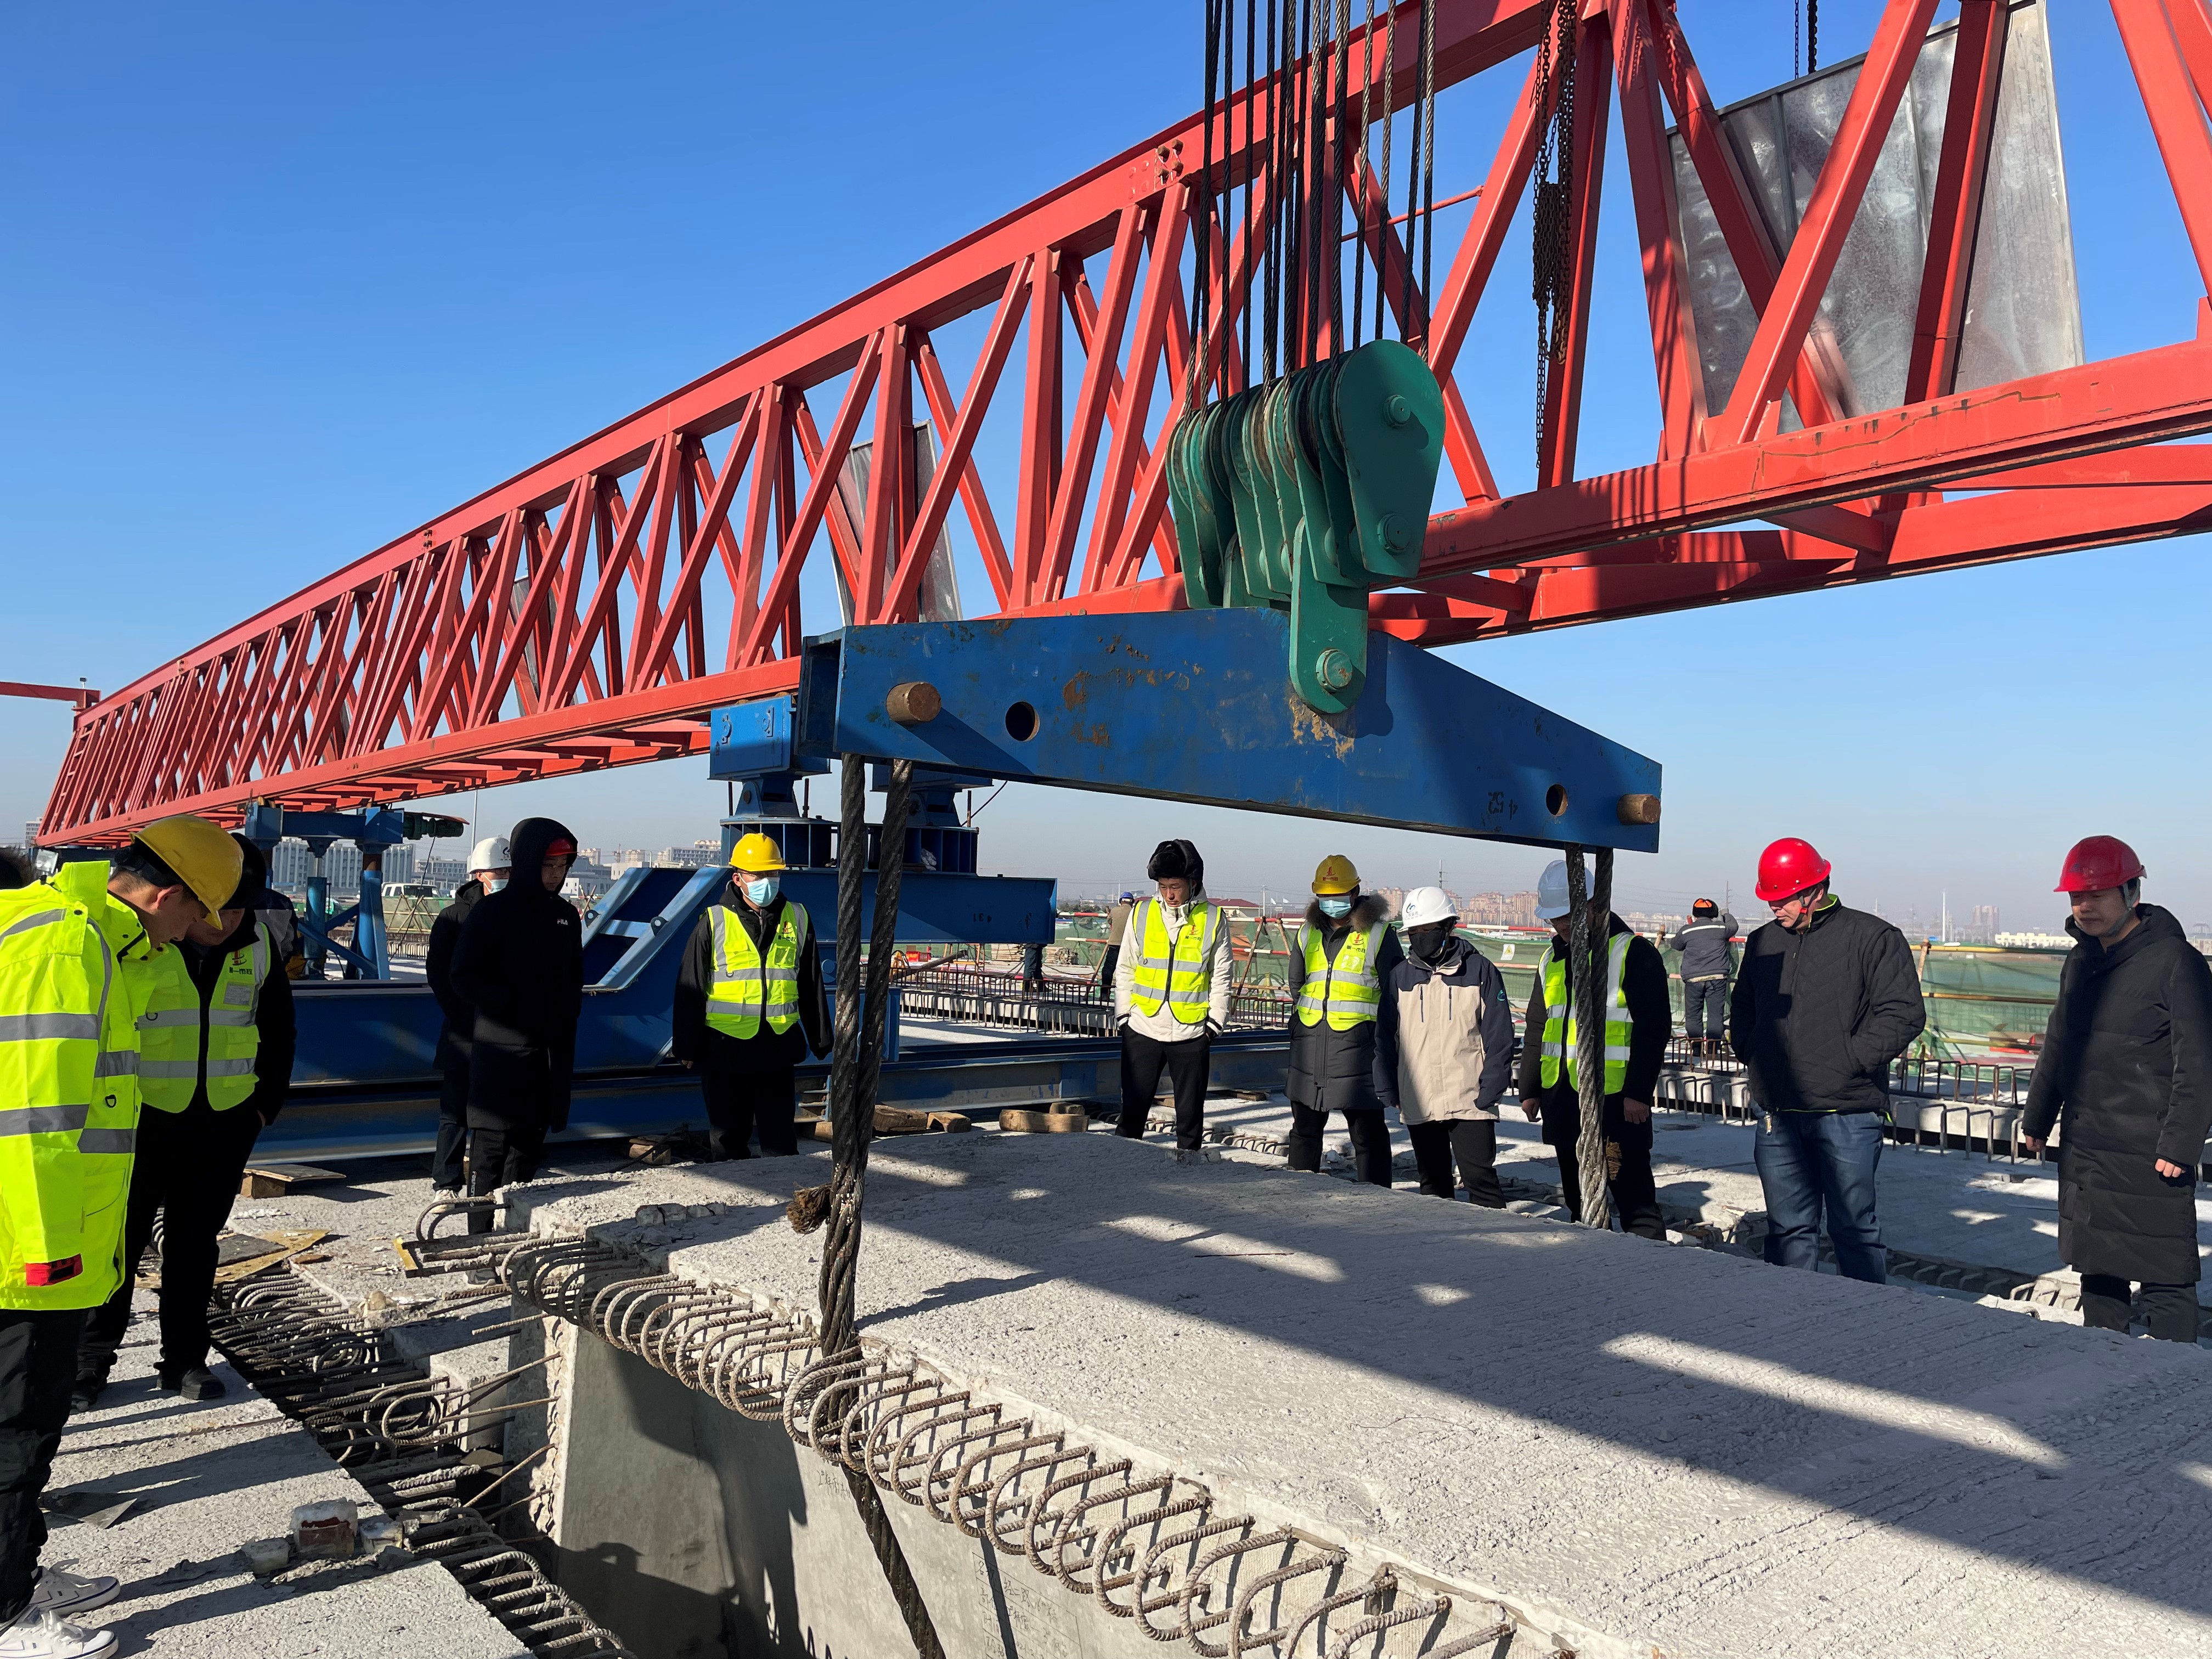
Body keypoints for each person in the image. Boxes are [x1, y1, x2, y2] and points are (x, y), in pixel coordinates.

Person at [1, 815, 239, 1659]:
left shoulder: (89, 939)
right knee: (16, 1433)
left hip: (48, 1241)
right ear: (167, 895)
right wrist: (50, 1256)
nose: (193, 932)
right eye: (196, 913)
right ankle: (7, 1615)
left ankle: (18, 1571)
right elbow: (32, 1122)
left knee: (25, 1429)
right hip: (31, 1253)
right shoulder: (71, 951)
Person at [74, 837, 294, 1409]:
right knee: (115, 1246)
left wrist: (261, 1108)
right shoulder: (137, 942)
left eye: (241, 909)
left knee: (195, 1250)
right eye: (218, 908)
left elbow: (279, 1029)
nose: (228, 921)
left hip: (222, 1125)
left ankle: (185, 1360)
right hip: (138, 1124)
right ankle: (90, 1360)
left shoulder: (259, 946)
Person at [2021, 836, 2212, 1342]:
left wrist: (2181, 1143)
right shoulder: (2079, 963)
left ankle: (2177, 1376)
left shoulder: (2176, 962)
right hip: (2087, 1149)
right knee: (2099, 1273)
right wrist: (2037, 1118)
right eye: (2076, 897)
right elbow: (2059, 1045)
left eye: (2097, 895)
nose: (2084, 907)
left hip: (2150, 1154)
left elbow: (2200, 1062)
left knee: (2166, 1278)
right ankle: (2102, 1367)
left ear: (2132, 892)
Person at [1729, 836, 1925, 1284]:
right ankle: (1791, 1315)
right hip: (1778, 1115)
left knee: (1853, 1231)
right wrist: (1754, 1053)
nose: (1774, 906)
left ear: (1814, 891)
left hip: (1847, 1114)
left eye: (1782, 898)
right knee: (1788, 1230)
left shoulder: (1873, 938)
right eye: (1770, 897)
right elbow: (1744, 1008)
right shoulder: (1762, 942)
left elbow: (1904, 1013)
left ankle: (1865, 1317)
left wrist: (1849, 1061)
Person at [1518, 860, 1671, 1238]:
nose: (1561, 925)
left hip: (1616, 1102)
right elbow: (1539, 1026)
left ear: (1592, 904)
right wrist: (1530, 1088)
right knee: (1579, 1199)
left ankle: (1650, 1264)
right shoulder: (1551, 959)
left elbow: (1653, 1029)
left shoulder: (1631, 953)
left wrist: (1639, 1092)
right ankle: (1588, 1261)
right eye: (1555, 918)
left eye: (1567, 915)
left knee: (1634, 1200)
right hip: (1562, 1096)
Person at [449, 819, 583, 1233]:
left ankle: (512, 1239)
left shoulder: (565, 916)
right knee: (489, 1154)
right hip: (501, 1055)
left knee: (526, 1155)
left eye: (562, 866)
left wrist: (564, 1015)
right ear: (526, 862)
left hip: (548, 1058)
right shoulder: (494, 912)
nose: (556, 875)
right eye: (548, 865)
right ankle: (478, 1241)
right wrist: (510, 1003)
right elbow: (462, 976)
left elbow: (573, 979)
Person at [672, 834, 828, 1160]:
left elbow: (810, 981)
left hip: (777, 1045)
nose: (767, 882)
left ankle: (784, 1188)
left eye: (773, 873)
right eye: (758, 875)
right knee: (728, 1138)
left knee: (781, 1139)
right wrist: (687, 1045)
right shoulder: (714, 921)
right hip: (726, 1048)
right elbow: (691, 985)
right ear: (738, 879)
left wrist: (821, 1038)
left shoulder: (797, 918)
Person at [1376, 888, 1513, 1205]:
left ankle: (1497, 1234)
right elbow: (1385, 1038)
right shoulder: (1399, 978)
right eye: (1414, 931)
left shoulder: (1480, 971)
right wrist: (1388, 1086)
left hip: (1470, 1099)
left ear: (1448, 926)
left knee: (1480, 1181)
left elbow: (1499, 1036)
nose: (1420, 937)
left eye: (1428, 929)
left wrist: (1491, 1088)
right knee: (1433, 1186)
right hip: (1420, 1098)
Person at [1283, 855, 1399, 1186]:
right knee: (1304, 1130)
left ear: (1355, 892)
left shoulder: (1378, 934)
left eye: (1338, 895)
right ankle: (1299, 1191)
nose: (1331, 902)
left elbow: (1394, 994)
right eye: (1325, 896)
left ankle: (1375, 1197)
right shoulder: (1307, 933)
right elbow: (1297, 985)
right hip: (1310, 1048)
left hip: (1359, 1051)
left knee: (1367, 1133)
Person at [1113, 840, 1229, 1149]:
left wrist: (1214, 1023)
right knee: (1132, 1113)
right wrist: (1124, 1016)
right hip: (1143, 1026)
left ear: (1193, 883)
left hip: (1191, 1032)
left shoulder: (1213, 919)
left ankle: (1188, 1169)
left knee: (1190, 1118)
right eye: (1163, 887)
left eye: (1175, 887)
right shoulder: (1141, 913)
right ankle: (1123, 1165)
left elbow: (1221, 976)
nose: (1169, 894)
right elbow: (1125, 967)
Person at [426, 836, 510, 1195]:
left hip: (507, 1034)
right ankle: (446, 1183)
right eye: (499, 871)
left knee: (500, 1113)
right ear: (479, 874)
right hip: (464, 1032)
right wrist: (459, 1012)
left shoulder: (518, 913)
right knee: (455, 1112)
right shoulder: (453, 917)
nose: (505, 877)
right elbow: (438, 973)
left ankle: (498, 1182)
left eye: (509, 871)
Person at [1666, 898, 1737, 1058]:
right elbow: (1734, 926)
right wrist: (1725, 914)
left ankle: (1696, 1050)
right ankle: (1713, 1050)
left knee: (1693, 1015)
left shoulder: (1687, 931)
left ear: (1695, 914)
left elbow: (1675, 945)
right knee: (1715, 1015)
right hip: (1717, 978)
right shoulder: (1720, 928)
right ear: (1714, 914)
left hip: (1693, 979)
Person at [1096, 893, 1137, 1002]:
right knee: (1128, 971)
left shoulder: (1115, 911)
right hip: (1129, 946)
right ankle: (1127, 996)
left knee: (1108, 970)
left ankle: (1105, 994)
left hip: (1114, 944)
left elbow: (1109, 921)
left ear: (1121, 901)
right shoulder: (1134, 912)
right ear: (1132, 902)